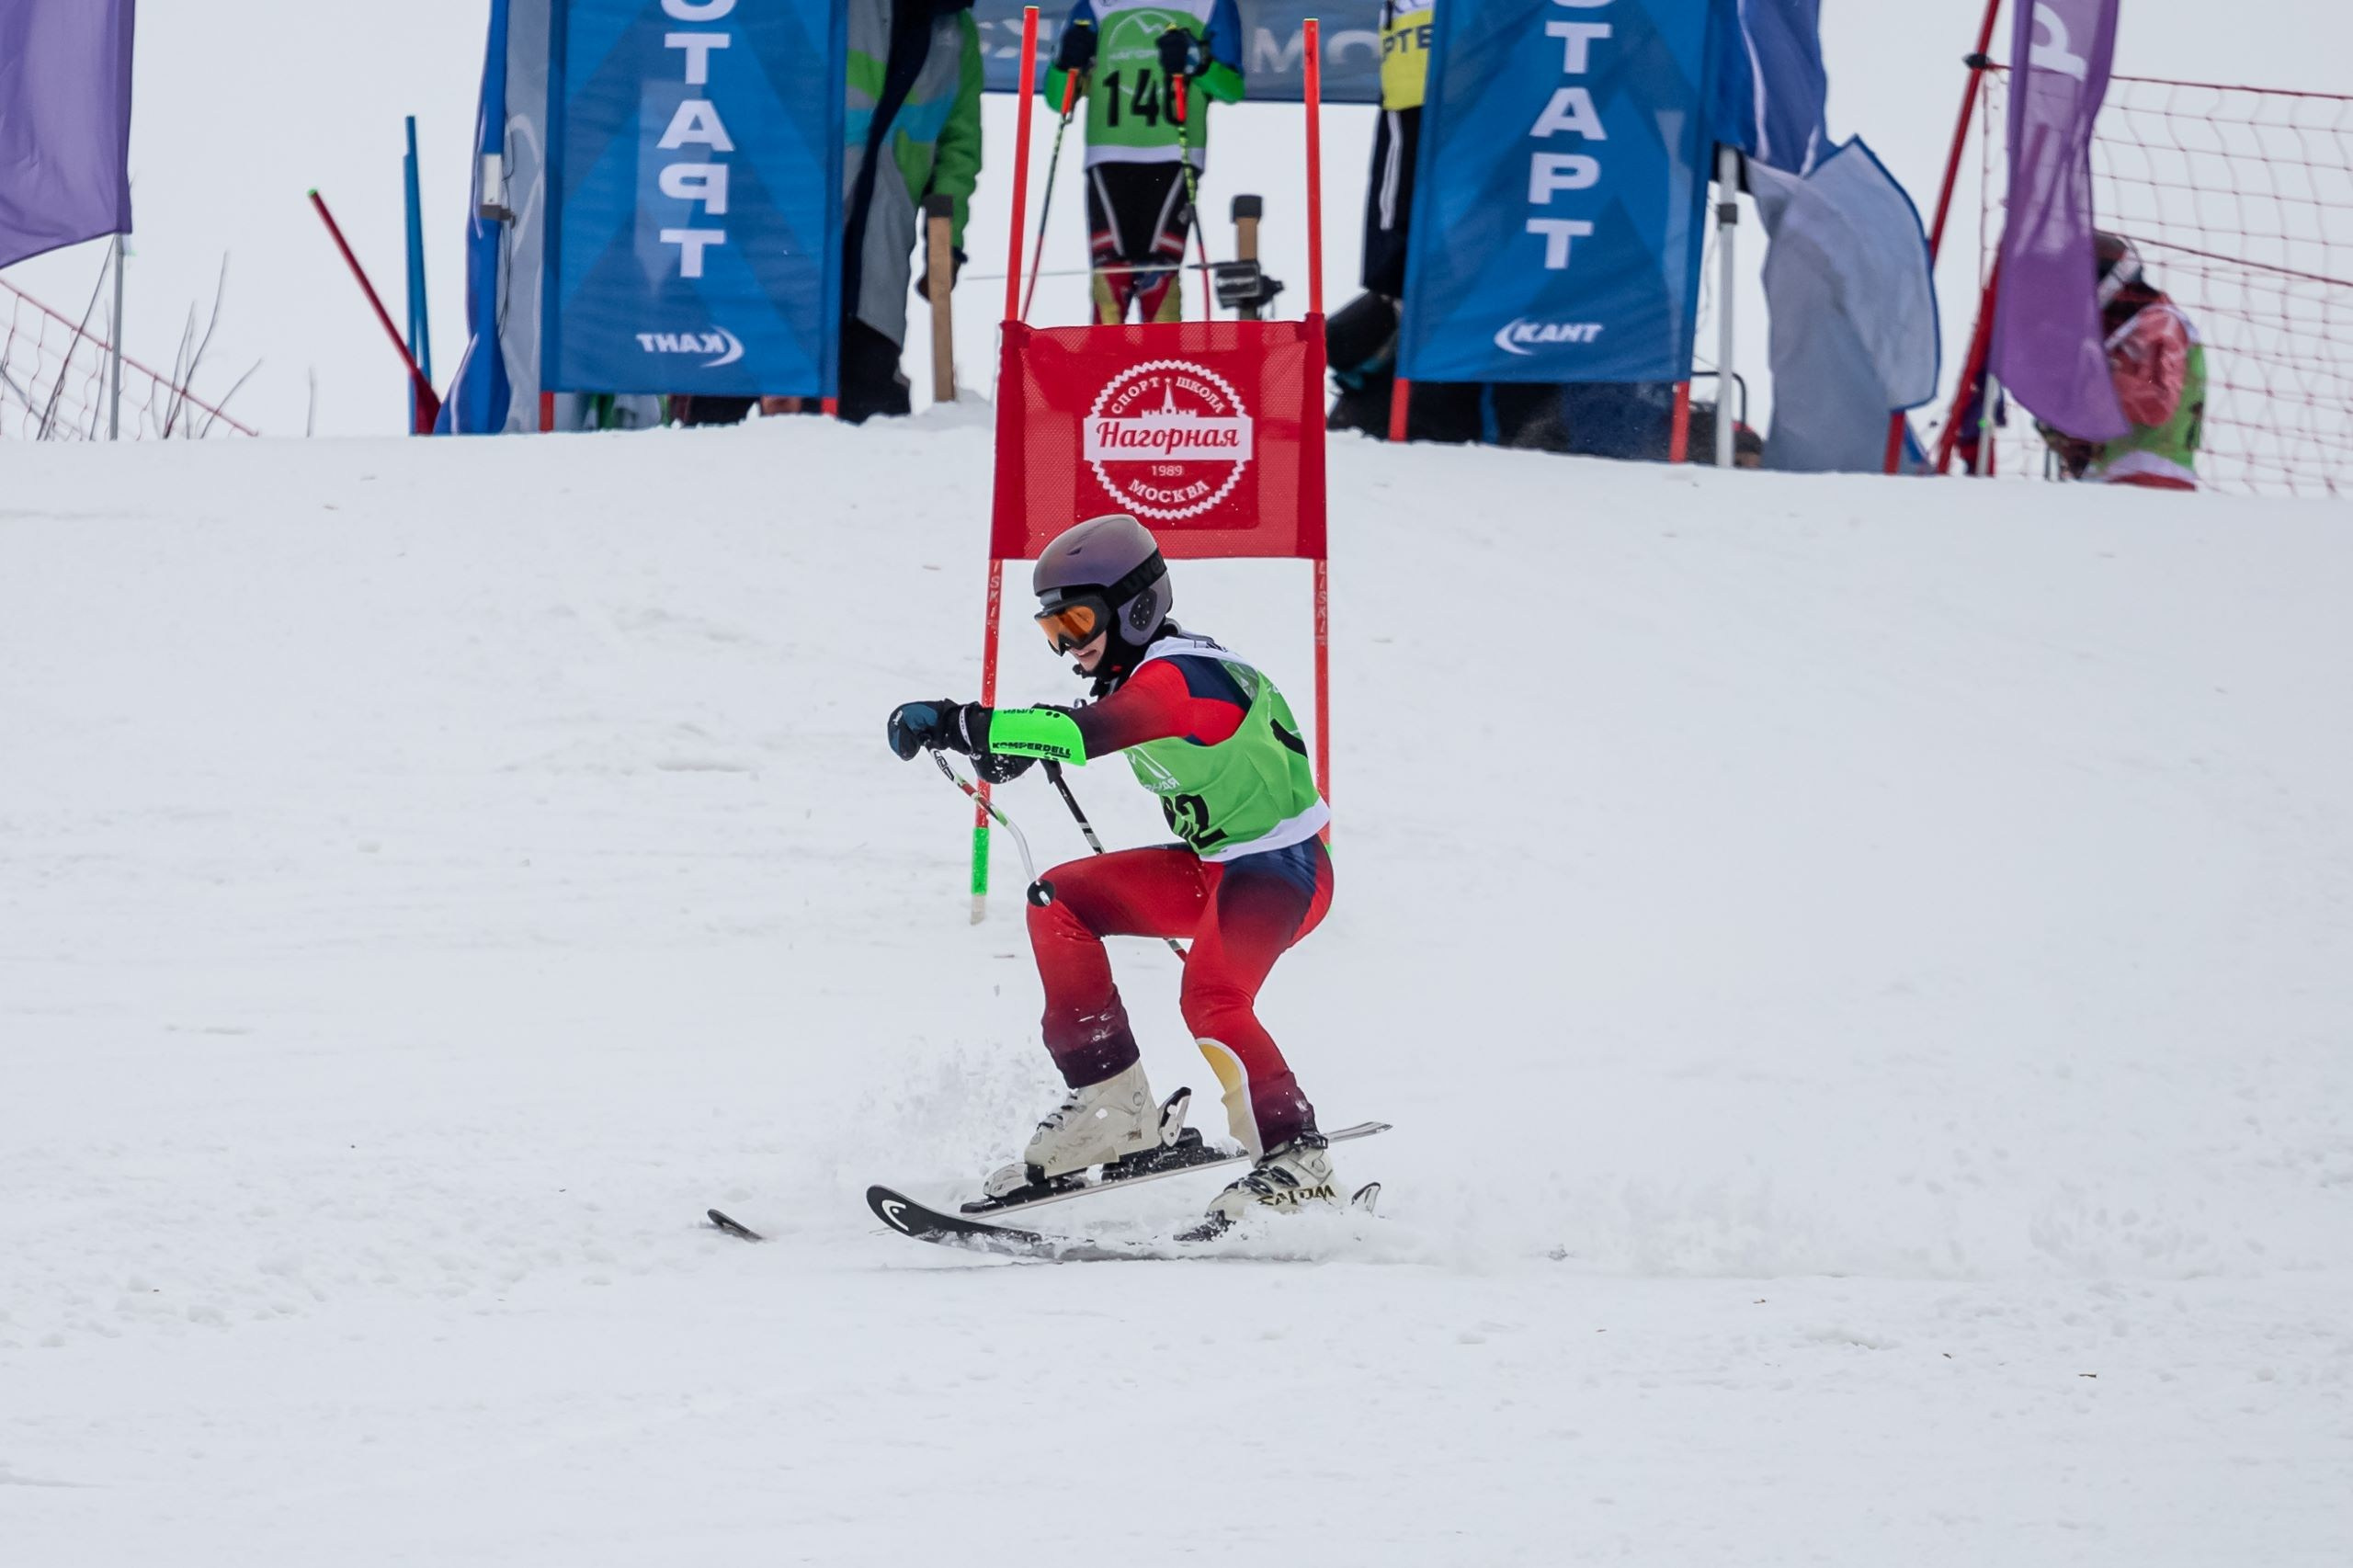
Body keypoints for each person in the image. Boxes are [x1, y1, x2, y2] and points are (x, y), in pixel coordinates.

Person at [884, 515, 1338, 1234]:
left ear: (1134, 606)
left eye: (1077, 621)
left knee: (1213, 998)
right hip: (1214, 867)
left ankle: (1297, 1158)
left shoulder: (1186, 677)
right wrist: (1019, 748)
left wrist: (968, 724)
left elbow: (1083, 734)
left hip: (1283, 867)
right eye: (1052, 630)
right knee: (1058, 900)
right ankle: (1113, 1109)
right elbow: (1080, 724)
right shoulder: (1134, 673)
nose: (1068, 644)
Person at [1046, 0, 1244, 324]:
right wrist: (1065, 61)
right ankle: (1104, 370)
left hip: (1175, 154)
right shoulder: (1095, 5)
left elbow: (1232, 89)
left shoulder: (1208, 5)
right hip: (1108, 153)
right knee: (1110, 278)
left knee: (1159, 277)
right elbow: (1059, 99)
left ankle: (1161, 370)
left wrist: (1199, 63)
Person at [841, 0, 984, 422]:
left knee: (867, 395)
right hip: (798, 234)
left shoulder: (956, 33)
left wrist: (948, 244)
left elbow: (960, 147)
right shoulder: (841, 10)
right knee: (762, 401)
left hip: (883, 239)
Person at [2040, 232, 2205, 490]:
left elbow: (2157, 397)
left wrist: (2085, 388)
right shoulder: (2110, 334)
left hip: (2151, 480)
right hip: (2108, 480)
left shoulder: (2160, 323)